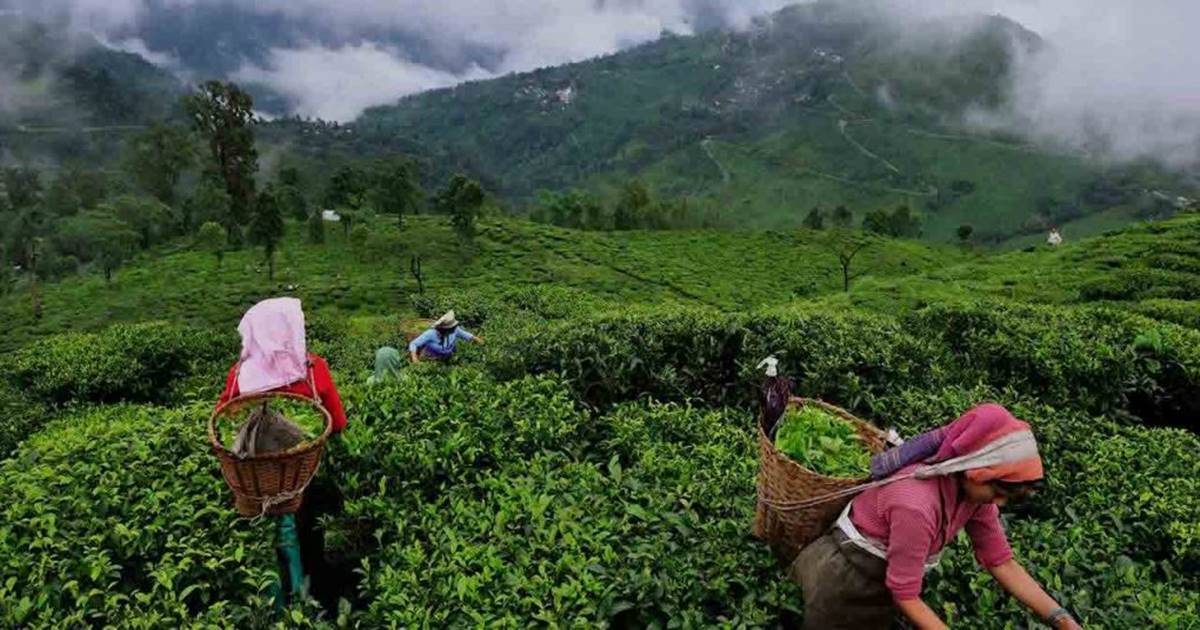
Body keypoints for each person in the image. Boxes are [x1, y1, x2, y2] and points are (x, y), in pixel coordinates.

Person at [789, 404, 1082, 630]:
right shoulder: (916, 504)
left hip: (879, 580)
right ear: (974, 467)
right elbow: (905, 593)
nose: (999, 503)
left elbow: (1000, 561)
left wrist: (1060, 618)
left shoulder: (974, 495)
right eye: (998, 491)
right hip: (843, 580)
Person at [215, 297, 348, 606]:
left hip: (254, 482)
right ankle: (311, 602)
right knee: (309, 538)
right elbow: (338, 423)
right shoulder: (314, 369)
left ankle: (272, 603)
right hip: (301, 478)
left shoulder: (240, 374)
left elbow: (223, 416)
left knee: (262, 544)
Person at [407, 310, 483, 363]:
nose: (454, 329)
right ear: (444, 329)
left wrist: (479, 341)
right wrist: (415, 359)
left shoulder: (455, 330)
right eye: (451, 328)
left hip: (448, 355)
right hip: (430, 357)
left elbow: (468, 336)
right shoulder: (431, 333)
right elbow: (414, 344)